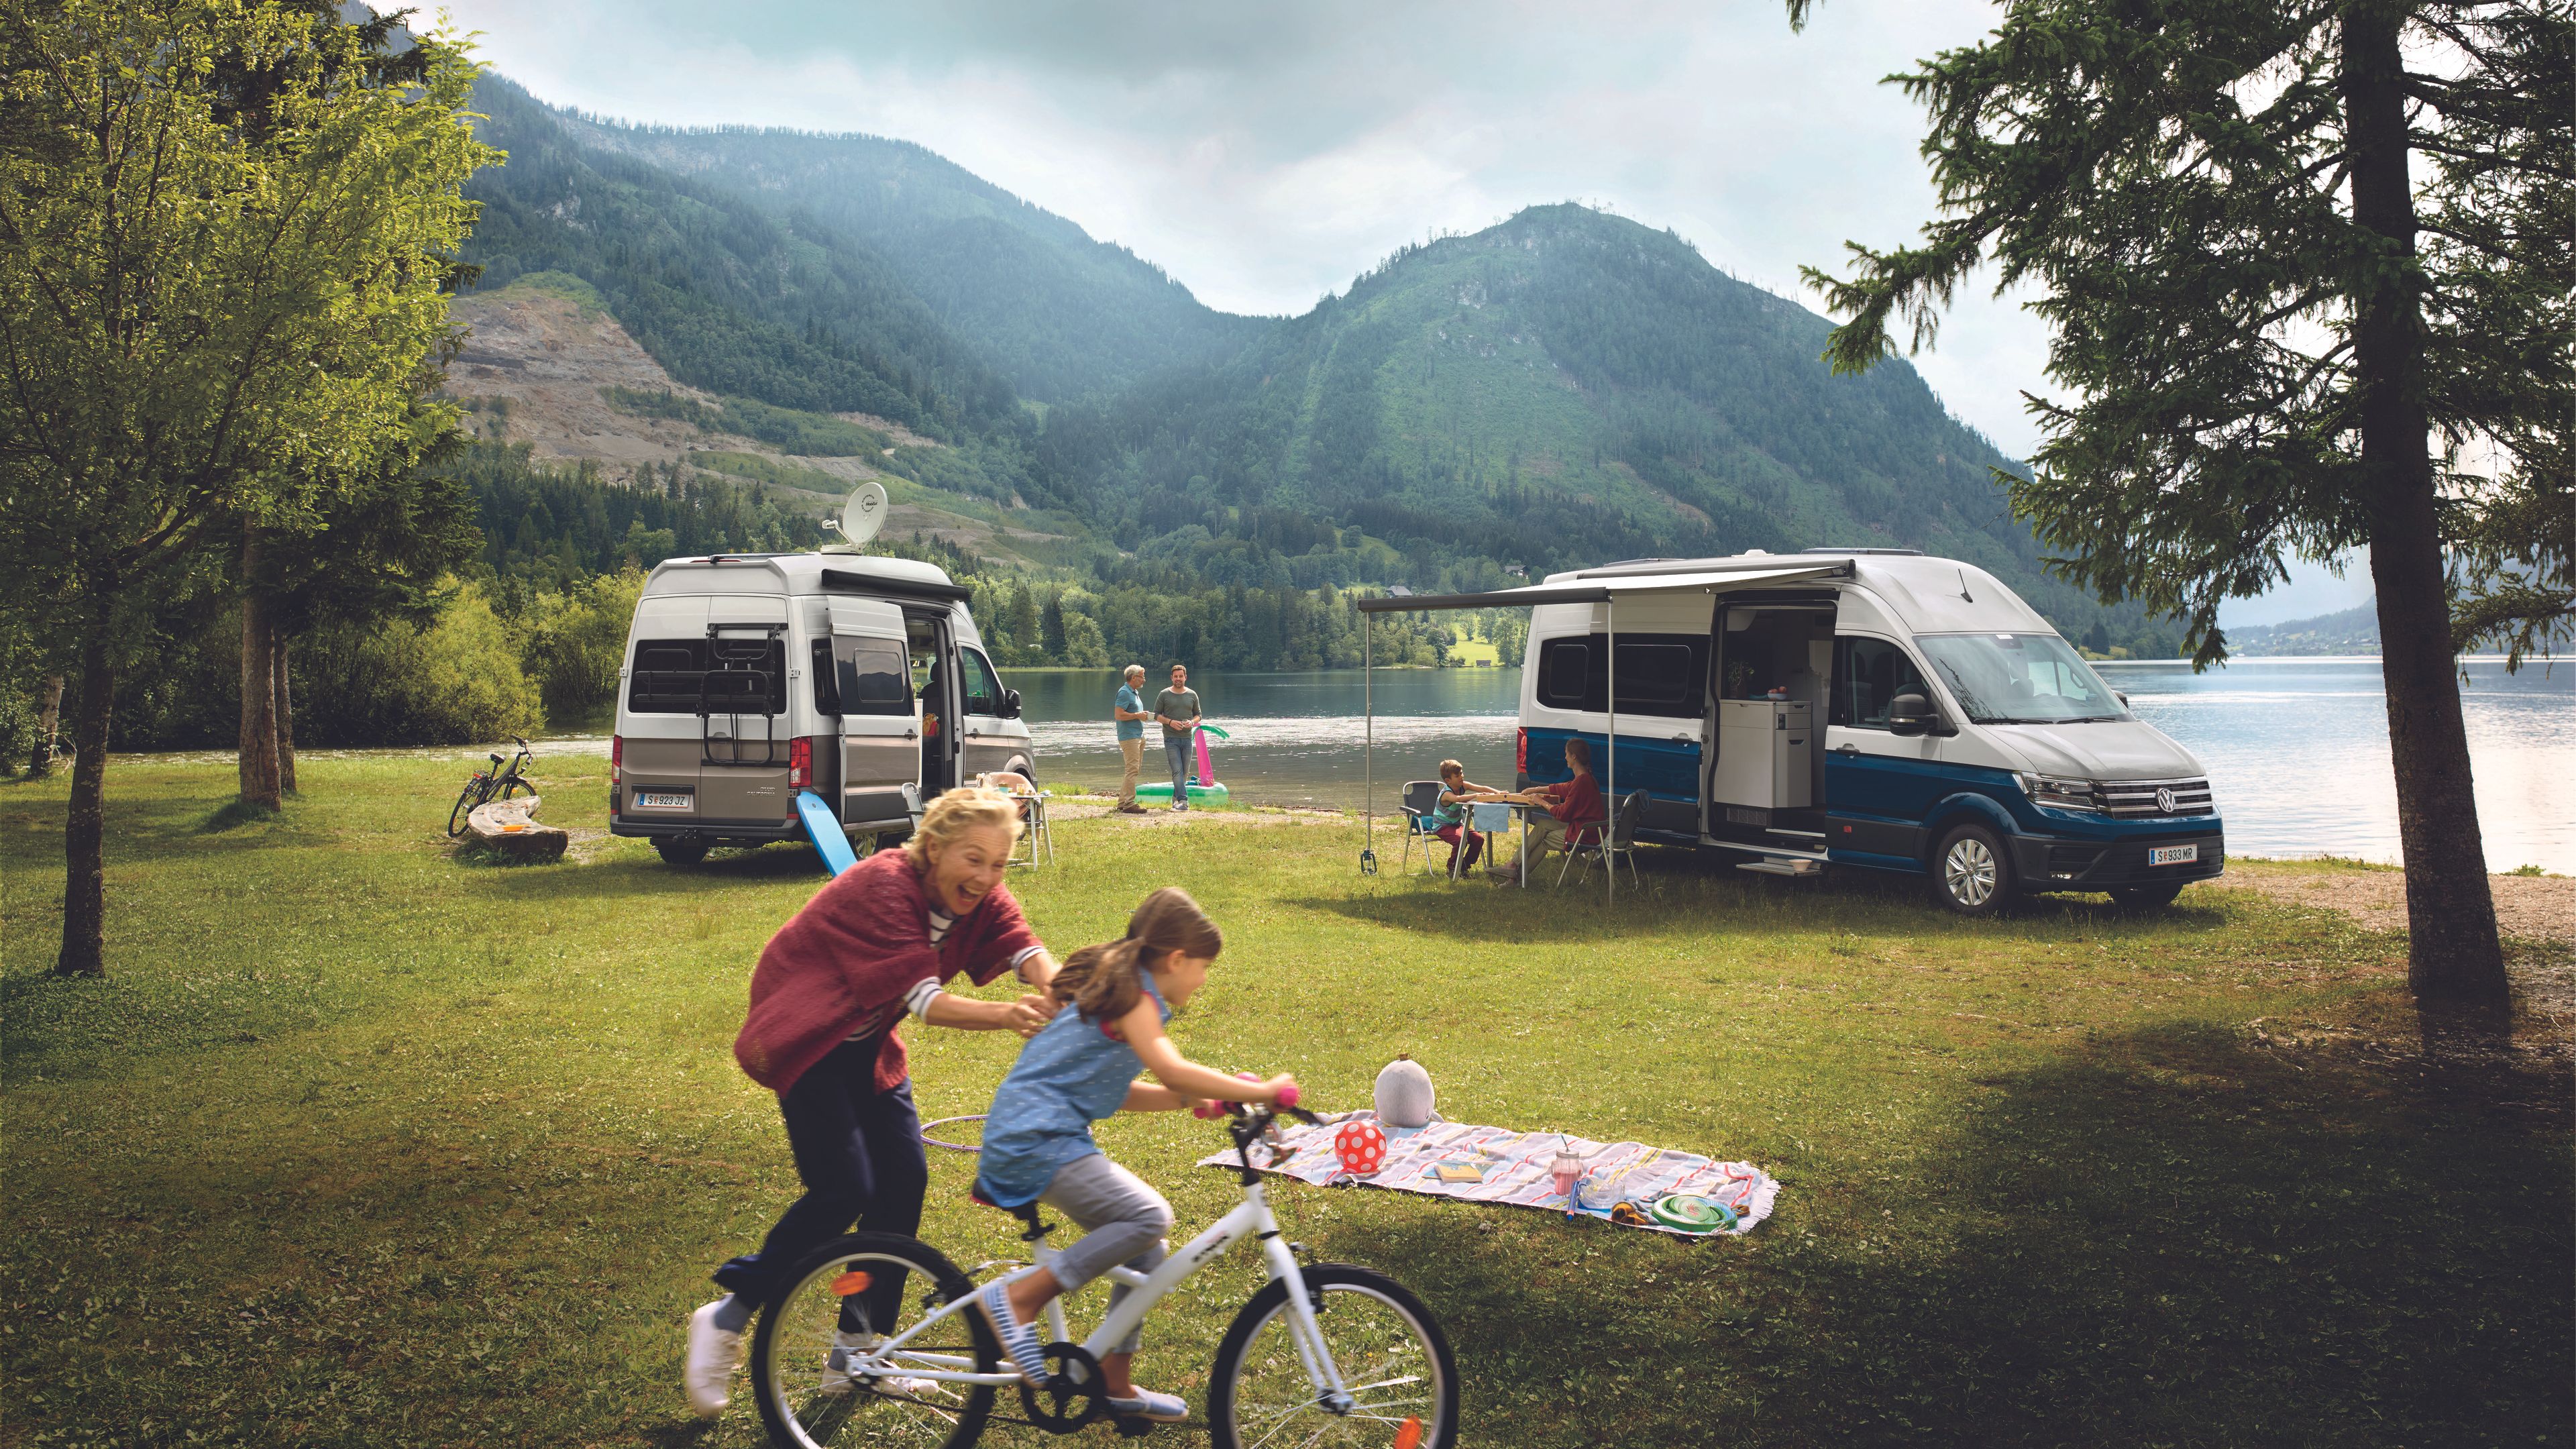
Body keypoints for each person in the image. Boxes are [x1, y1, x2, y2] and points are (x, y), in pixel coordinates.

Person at [683, 789, 1061, 1420]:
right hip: (807, 1042)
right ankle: (728, 1313)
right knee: (842, 1190)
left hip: (866, 1047)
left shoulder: (981, 894)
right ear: (935, 848)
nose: (987, 877)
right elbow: (925, 1001)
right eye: (974, 859)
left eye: (999, 863)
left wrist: (1057, 986)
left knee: (902, 1180)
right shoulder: (885, 885)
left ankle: (857, 1351)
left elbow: (1023, 945)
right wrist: (1009, 1014)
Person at [972, 888, 1293, 1423]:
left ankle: (1112, 1381)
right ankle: (1017, 1300)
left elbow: (1115, 1090)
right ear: (1176, 959)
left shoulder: (1125, 993)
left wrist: (1195, 1098)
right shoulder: (1136, 999)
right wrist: (1264, 1091)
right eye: (1204, 968)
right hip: (1034, 1139)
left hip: (1044, 1134)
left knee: (1147, 1247)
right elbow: (1171, 1067)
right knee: (1149, 1215)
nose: (1203, 980)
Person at [1486, 737, 1605, 879]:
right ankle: (1513, 865)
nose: (1565, 757)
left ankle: (1517, 878)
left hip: (1584, 834)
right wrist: (1536, 789)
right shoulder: (1586, 778)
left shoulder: (1582, 782)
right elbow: (1563, 787)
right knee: (1542, 825)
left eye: (1566, 753)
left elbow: (1563, 814)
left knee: (1544, 840)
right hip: (1588, 828)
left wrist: (1541, 801)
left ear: (1574, 756)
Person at [1428, 758, 1501, 875]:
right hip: (1442, 826)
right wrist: (1476, 795)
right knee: (1460, 840)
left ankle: (1463, 867)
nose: (1462, 776)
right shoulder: (1446, 794)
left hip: (1457, 825)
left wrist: (1499, 793)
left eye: (1461, 773)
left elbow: (1482, 788)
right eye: (1457, 775)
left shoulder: (1463, 786)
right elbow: (1457, 799)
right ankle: (1452, 868)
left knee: (1478, 839)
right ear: (1448, 780)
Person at [1152, 664, 1201, 812]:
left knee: (1184, 772)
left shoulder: (1192, 694)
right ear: (1171, 678)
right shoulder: (1164, 694)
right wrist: (1170, 722)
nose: (1178, 679)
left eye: (1181, 676)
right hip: (1171, 739)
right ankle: (1184, 802)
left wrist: (1191, 722)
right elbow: (1156, 715)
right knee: (1177, 771)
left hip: (1187, 739)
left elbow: (1199, 715)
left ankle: (1175, 800)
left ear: (1185, 677)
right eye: (1176, 676)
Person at [1112, 665, 1151, 815]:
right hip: (1129, 737)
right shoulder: (1124, 693)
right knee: (1132, 770)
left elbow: (1133, 713)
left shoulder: (1134, 692)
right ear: (1134, 678)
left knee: (1134, 769)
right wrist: (1137, 716)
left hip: (1138, 735)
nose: (1144, 680)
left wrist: (1142, 715)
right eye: (1142, 676)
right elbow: (1119, 715)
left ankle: (1123, 803)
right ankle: (1129, 804)